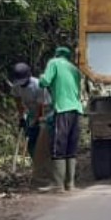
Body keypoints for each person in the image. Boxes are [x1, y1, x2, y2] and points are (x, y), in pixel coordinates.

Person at [38, 46, 84, 191]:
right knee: (71, 147)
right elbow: (77, 90)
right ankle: (70, 184)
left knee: (59, 146)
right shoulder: (75, 69)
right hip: (76, 110)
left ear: (57, 54)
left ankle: (58, 185)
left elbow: (45, 82)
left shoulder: (54, 62)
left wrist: (40, 78)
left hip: (63, 108)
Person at [10, 62, 51, 163]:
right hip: (32, 111)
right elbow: (18, 101)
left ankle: (51, 163)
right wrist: (21, 117)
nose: (21, 84)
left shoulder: (38, 86)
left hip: (47, 111)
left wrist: (37, 122)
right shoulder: (16, 86)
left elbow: (41, 107)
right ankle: (37, 164)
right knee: (31, 139)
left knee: (44, 138)